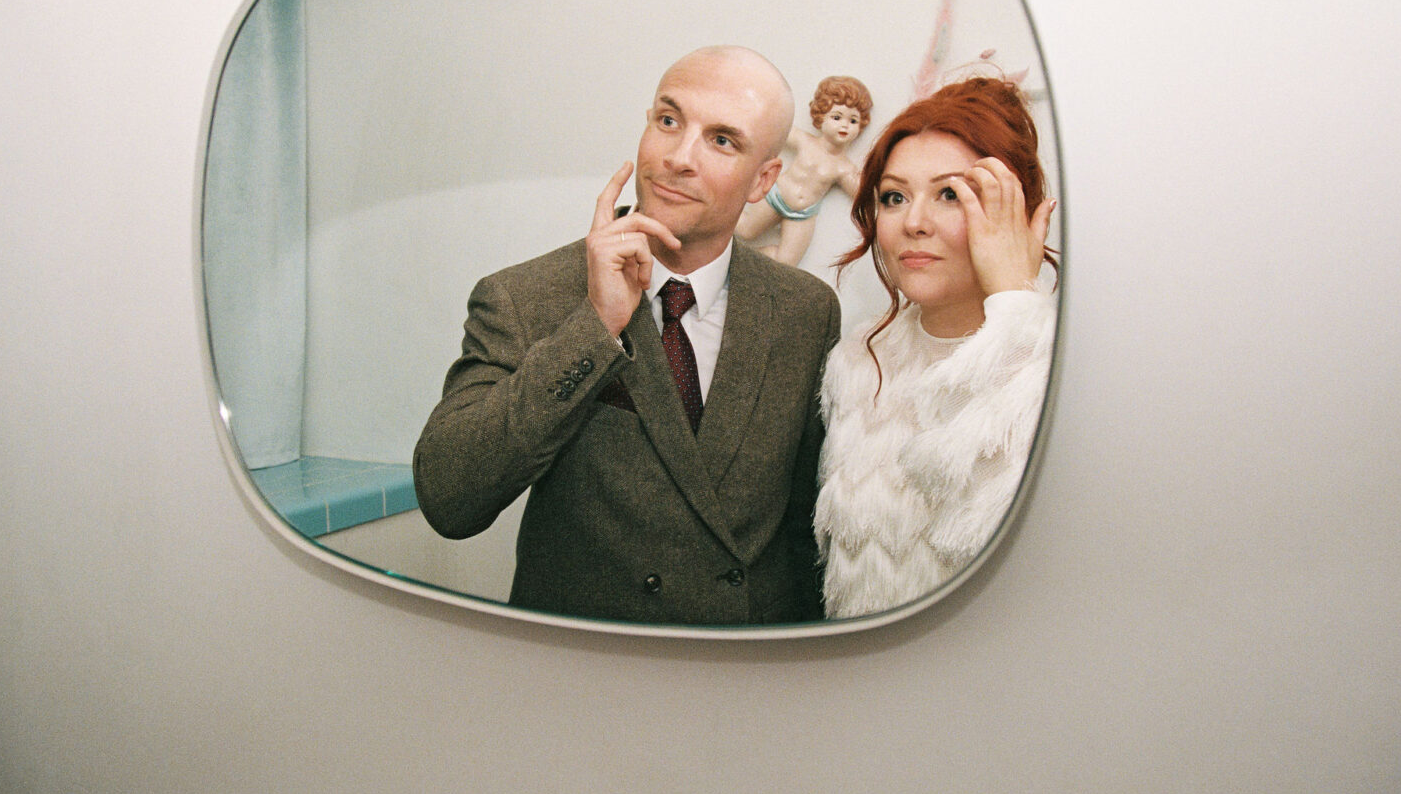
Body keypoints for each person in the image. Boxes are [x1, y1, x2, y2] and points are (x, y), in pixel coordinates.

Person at [413, 46, 841, 625]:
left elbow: (804, 526)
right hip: (589, 673)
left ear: (763, 178)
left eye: (722, 141)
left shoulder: (804, 310)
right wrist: (594, 328)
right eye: (669, 121)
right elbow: (449, 498)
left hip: (749, 675)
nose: (678, 158)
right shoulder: (523, 297)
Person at [814, 77, 1057, 618]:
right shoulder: (857, 360)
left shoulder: (1059, 360)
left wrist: (1015, 307)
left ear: (1016, 207)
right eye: (894, 197)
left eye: (951, 194)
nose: (914, 223)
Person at [734, 75, 873, 266]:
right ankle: (714, 212)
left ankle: (738, 261)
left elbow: (863, 194)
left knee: (787, 261)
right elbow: (773, 130)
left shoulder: (844, 167)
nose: (844, 125)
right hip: (777, 196)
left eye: (853, 121)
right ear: (820, 117)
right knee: (744, 230)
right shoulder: (805, 141)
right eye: (837, 117)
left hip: (803, 213)